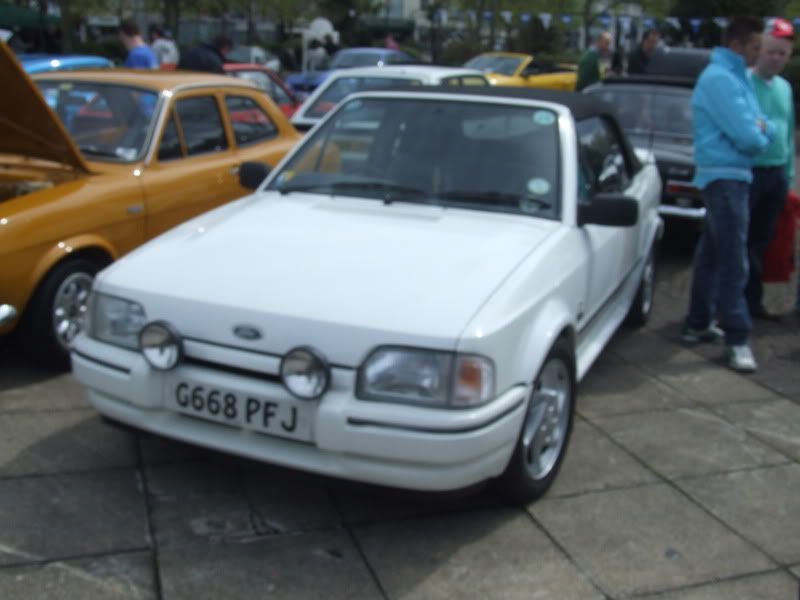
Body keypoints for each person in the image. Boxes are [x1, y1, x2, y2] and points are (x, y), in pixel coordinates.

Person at [681, 15, 774, 373]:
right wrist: (763, 132)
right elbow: (752, 134)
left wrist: (759, 128)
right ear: (737, 45)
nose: (759, 53)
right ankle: (737, 338)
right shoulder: (722, 79)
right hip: (726, 176)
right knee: (734, 259)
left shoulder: (733, 76)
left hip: (729, 174)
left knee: (712, 253)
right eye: (755, 47)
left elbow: (756, 124)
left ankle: (697, 322)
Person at [746, 18, 796, 320]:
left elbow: (788, 132)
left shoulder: (785, 88)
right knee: (744, 242)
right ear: (759, 50)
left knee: (764, 241)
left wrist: (788, 174)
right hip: (751, 172)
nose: (776, 58)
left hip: (777, 174)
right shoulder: (743, 83)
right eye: (771, 51)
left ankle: (754, 302)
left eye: (783, 53)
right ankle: (738, 303)